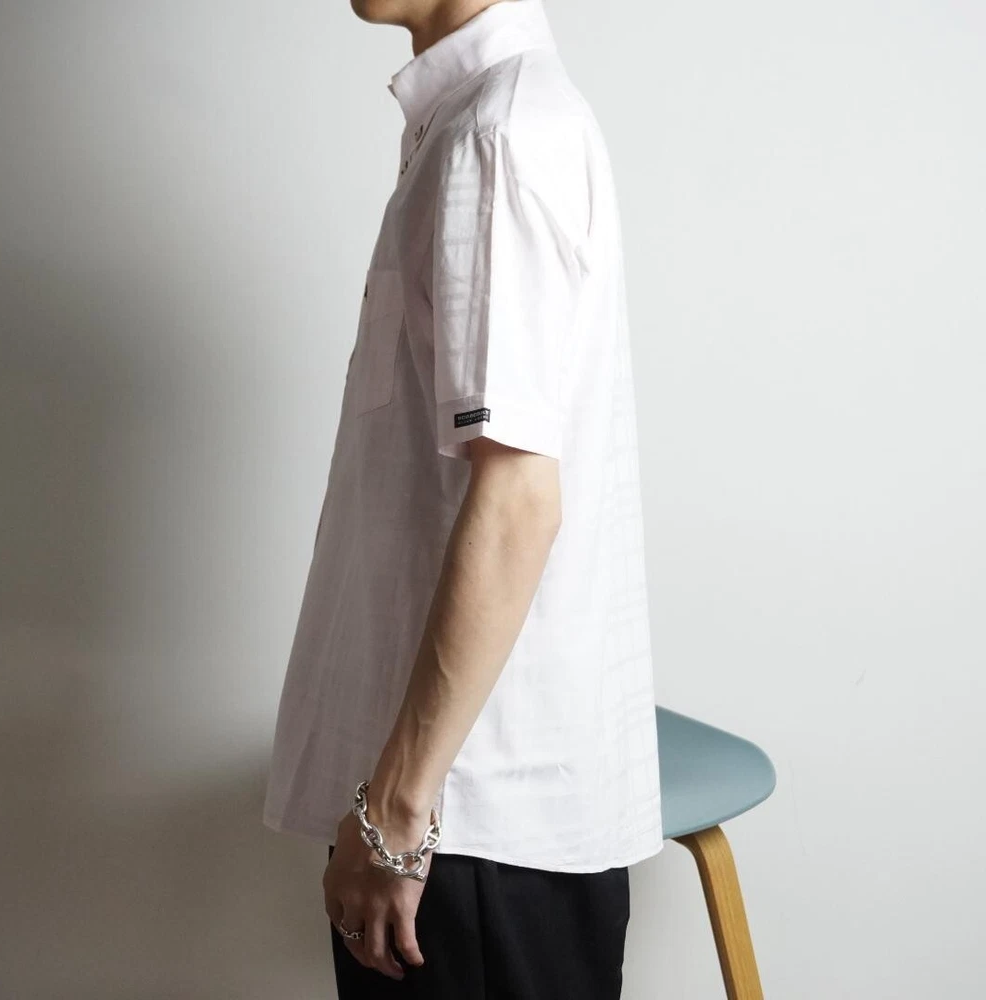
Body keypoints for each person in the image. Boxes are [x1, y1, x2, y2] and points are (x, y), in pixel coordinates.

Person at [262, 1, 663, 995]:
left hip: (466, 824)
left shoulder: (497, 133)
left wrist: (394, 815)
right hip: (459, 811)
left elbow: (519, 501)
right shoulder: (475, 120)